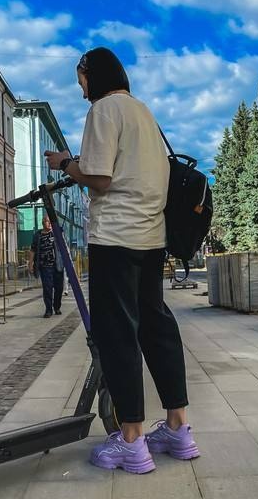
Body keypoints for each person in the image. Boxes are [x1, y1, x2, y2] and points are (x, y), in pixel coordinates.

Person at [44, 47, 198, 474]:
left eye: (81, 79)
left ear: (93, 73)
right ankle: (178, 428)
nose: (81, 88)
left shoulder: (103, 110)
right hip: (151, 239)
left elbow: (99, 176)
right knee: (156, 326)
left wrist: (65, 164)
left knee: (119, 335)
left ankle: (131, 440)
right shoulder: (144, 113)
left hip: (114, 238)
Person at [28, 215, 64, 318]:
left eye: (50, 222)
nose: (49, 224)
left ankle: (57, 306)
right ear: (43, 223)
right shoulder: (38, 235)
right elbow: (33, 250)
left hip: (57, 265)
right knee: (47, 288)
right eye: (47, 221)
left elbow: (64, 246)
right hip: (45, 267)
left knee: (59, 288)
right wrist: (30, 264)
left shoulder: (56, 233)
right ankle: (48, 310)